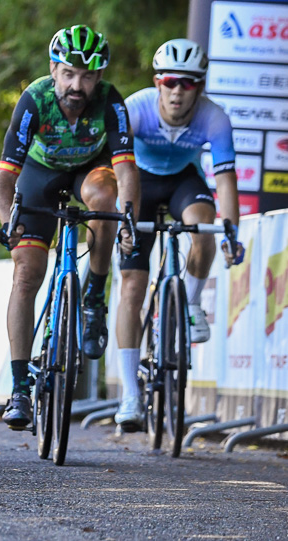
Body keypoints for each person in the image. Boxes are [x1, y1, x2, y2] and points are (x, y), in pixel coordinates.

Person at [0, 25, 138, 430]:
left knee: (106, 200)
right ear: (54, 70)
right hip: (39, 175)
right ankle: (20, 386)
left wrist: (128, 218)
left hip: (89, 172)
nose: (78, 85)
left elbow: (126, 171)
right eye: (70, 74)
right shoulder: (35, 99)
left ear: (100, 78)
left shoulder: (110, 102)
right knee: (26, 275)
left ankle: (93, 294)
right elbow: (5, 178)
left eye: (88, 76)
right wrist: (8, 225)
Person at [113, 39, 245, 429]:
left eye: (187, 84)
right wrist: (121, 219)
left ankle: (189, 304)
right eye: (170, 82)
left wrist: (230, 232)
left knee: (202, 223)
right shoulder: (134, 108)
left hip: (182, 182)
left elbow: (225, 179)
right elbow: (113, 167)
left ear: (199, 88)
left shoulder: (214, 117)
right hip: (137, 181)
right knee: (132, 289)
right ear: (157, 82)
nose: (177, 91)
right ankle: (130, 397)